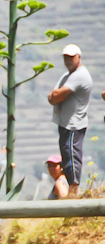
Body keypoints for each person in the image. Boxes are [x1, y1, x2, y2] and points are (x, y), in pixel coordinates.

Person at [47, 43, 92, 197]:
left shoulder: (79, 75)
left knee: (72, 156)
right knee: (66, 155)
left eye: (71, 57)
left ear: (79, 57)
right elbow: (52, 96)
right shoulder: (67, 76)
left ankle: (73, 191)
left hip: (74, 124)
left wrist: (56, 95)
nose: (68, 60)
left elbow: (57, 95)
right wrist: (55, 95)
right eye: (66, 57)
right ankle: (71, 191)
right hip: (66, 123)